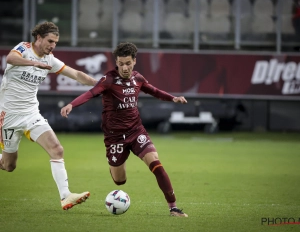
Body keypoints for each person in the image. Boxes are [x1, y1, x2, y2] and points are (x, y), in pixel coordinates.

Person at [60, 42, 189, 217]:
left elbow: (155, 91)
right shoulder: (109, 80)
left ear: (134, 61)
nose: (125, 67)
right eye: (121, 64)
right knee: (120, 181)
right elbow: (90, 93)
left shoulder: (138, 79)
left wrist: (173, 98)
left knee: (156, 164)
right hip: (115, 138)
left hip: (136, 131)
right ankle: (114, 165)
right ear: (117, 62)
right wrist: (71, 104)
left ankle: (173, 207)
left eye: (128, 63)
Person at [0, 21, 97, 210]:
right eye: (50, 41)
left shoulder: (50, 59)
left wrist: (101, 83)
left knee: (57, 149)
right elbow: (10, 59)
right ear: (39, 38)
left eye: (55, 43)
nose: (52, 46)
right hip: (9, 117)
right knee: (9, 166)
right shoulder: (24, 49)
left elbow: (76, 74)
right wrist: (34, 62)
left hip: (31, 114)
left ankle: (66, 196)